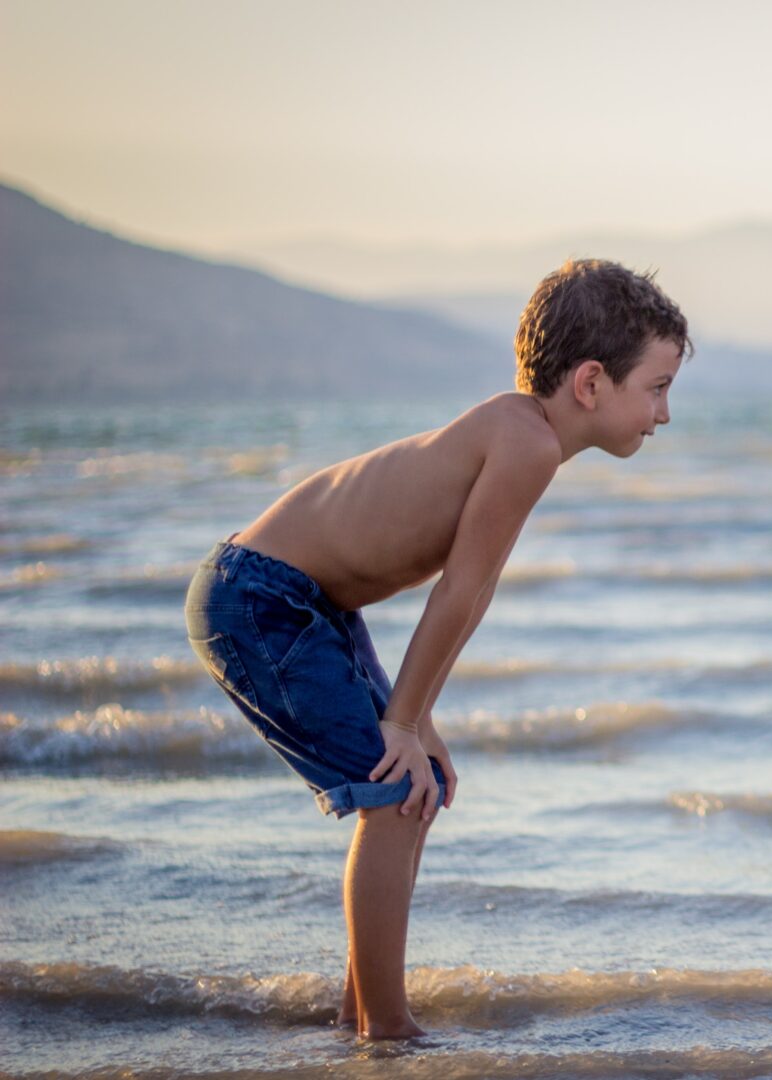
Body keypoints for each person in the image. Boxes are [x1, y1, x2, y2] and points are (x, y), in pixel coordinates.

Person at [183, 258, 689, 1036]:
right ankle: (385, 1029)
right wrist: (401, 723)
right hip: (259, 598)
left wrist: (419, 722)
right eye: (656, 388)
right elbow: (463, 591)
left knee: (416, 788)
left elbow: (462, 594)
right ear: (591, 384)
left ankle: (362, 1012)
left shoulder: (521, 432)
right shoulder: (526, 444)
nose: (662, 413)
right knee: (389, 794)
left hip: (306, 602)